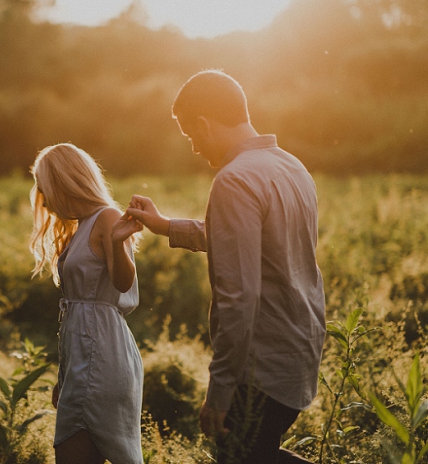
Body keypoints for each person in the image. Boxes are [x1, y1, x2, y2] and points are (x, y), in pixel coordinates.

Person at [126, 70, 325, 464]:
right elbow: (247, 240)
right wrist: (165, 226)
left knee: (239, 456)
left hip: (260, 368)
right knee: (256, 453)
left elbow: (239, 297)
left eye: (190, 135)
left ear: (204, 124)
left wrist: (219, 392)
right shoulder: (291, 166)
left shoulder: (234, 180)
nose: (194, 147)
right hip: (300, 351)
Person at [29, 143, 144, 464]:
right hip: (83, 364)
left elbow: (123, 283)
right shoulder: (81, 227)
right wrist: (63, 379)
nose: (42, 197)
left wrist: (119, 244)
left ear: (63, 182)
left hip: (102, 361)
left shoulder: (106, 218)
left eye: (44, 187)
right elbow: (73, 318)